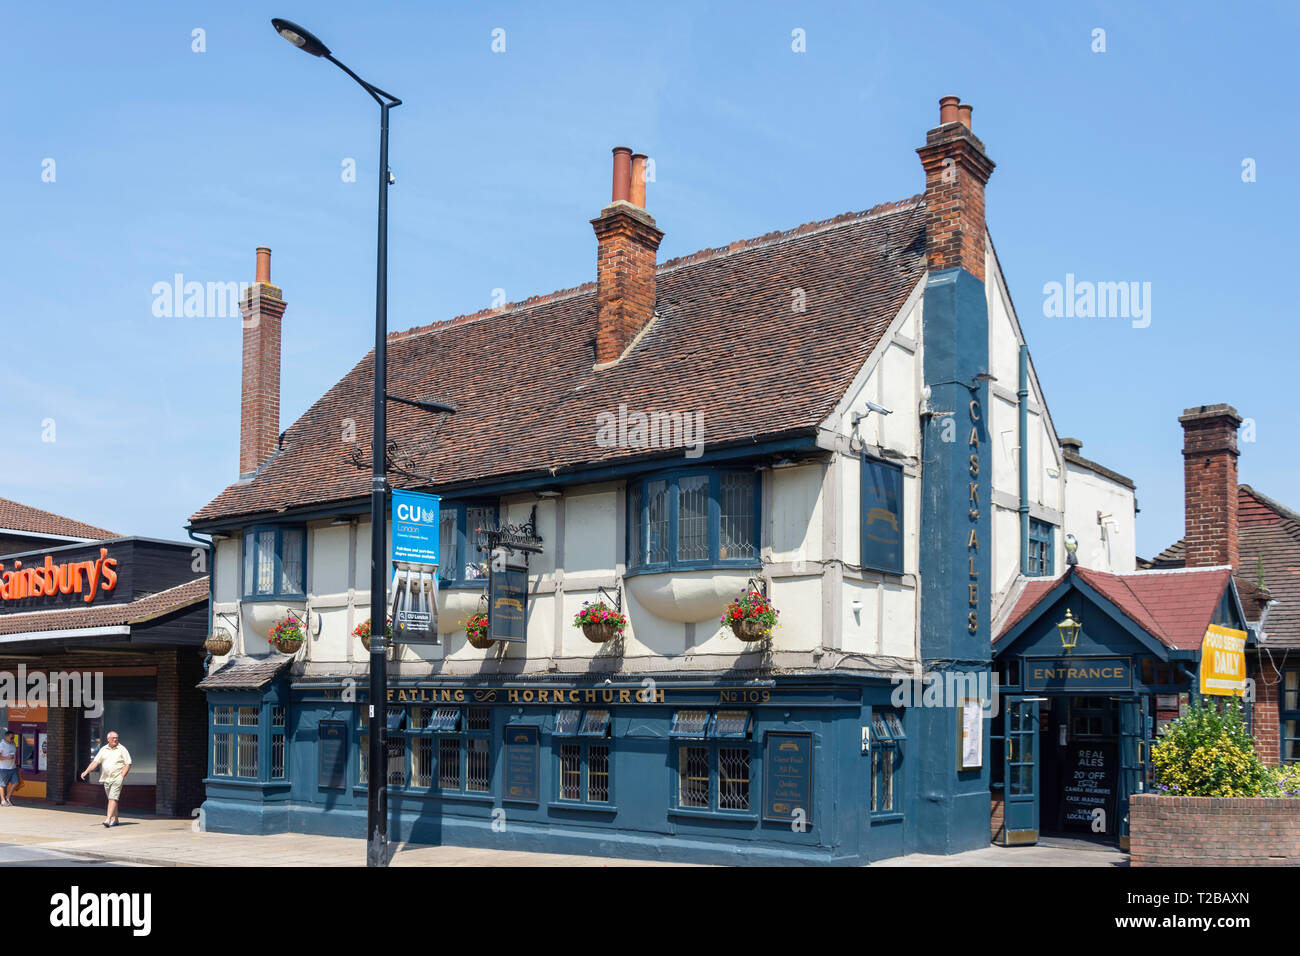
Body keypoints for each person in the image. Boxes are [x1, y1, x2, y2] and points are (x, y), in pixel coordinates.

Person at [80, 731, 131, 827]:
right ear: (108, 739)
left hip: (117, 778)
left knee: (112, 798)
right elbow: (95, 762)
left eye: (116, 738)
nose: (115, 739)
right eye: (113, 738)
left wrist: (122, 776)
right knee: (112, 799)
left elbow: (128, 763)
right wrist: (86, 772)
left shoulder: (122, 749)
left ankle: (108, 819)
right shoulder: (103, 749)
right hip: (106, 779)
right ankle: (116, 819)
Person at [0, 730, 17, 806]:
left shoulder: (13, 744)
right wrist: (7, 758)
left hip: (13, 767)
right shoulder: (2, 745)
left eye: (13, 738)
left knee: (16, 782)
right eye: (11, 738)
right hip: (4, 768)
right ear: (6, 737)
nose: (13, 739)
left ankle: (7, 798)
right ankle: (3, 801)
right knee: (2, 785)